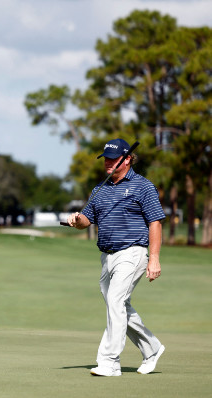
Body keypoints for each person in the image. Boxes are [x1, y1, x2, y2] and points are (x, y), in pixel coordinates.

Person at [67, 138, 166, 377]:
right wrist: (77, 219)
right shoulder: (98, 190)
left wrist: (154, 258)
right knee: (120, 305)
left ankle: (109, 362)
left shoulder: (143, 187)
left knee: (115, 301)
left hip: (133, 252)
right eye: (106, 159)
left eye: (113, 159)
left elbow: (155, 222)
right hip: (107, 256)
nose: (108, 163)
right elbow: (87, 220)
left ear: (128, 158)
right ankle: (152, 348)